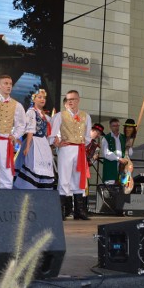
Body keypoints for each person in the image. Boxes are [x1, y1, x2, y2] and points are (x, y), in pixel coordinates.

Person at [50, 90, 92, 220]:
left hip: (79, 149)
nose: (70, 101)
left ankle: (79, 210)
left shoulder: (86, 116)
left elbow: (88, 136)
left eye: (73, 99)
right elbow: (52, 132)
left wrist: (83, 144)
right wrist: (56, 142)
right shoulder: (60, 115)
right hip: (66, 149)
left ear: (78, 100)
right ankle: (62, 210)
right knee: (64, 178)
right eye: (68, 99)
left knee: (79, 179)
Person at [13, 88, 56, 190]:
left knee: (43, 168)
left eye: (44, 98)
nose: (42, 99)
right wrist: (27, 146)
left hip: (43, 144)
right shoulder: (31, 112)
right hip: (34, 143)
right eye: (39, 97)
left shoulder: (44, 115)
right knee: (32, 166)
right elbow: (30, 130)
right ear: (34, 99)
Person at [96, 118, 132, 186]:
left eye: (117, 125)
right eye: (114, 126)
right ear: (110, 127)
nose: (116, 127)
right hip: (111, 169)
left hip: (123, 169)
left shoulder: (124, 138)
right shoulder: (106, 138)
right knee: (111, 189)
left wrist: (129, 146)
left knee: (123, 188)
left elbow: (130, 153)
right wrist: (118, 159)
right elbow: (106, 153)